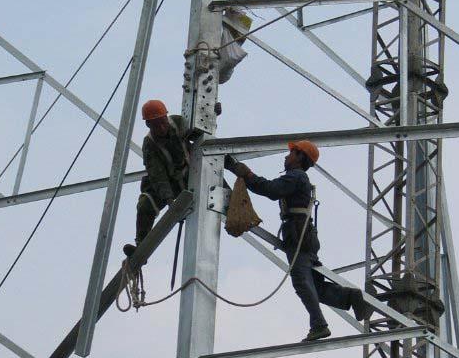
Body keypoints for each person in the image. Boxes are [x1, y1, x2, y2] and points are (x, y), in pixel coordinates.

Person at [225, 140, 372, 341]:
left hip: (298, 235)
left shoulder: (296, 176)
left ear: (300, 157)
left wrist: (245, 173)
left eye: (291, 153)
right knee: (315, 288)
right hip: (303, 234)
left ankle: (319, 325)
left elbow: (270, 189)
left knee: (302, 282)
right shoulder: (298, 177)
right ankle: (351, 297)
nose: (286, 156)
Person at [123, 100, 190, 258]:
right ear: (148, 125)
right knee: (146, 203)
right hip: (170, 184)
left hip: (192, 172)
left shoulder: (180, 123)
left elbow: (202, 133)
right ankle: (141, 247)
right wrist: (168, 199)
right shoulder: (150, 144)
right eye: (155, 125)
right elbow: (157, 175)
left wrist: (213, 113)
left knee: (215, 174)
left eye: (162, 122)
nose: (161, 128)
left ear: (166, 118)